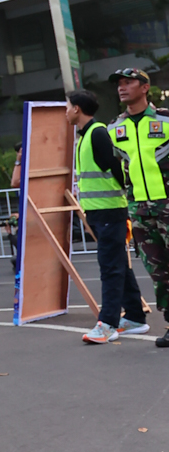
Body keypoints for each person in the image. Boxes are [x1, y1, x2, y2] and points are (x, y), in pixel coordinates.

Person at [64, 87, 147, 344]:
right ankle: (134, 316)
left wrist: (125, 199)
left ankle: (108, 323)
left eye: (67, 107)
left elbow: (119, 169)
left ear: (77, 109)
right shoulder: (86, 135)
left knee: (110, 268)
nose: (65, 112)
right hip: (100, 212)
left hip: (110, 211)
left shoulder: (98, 133)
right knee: (117, 263)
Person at [110, 67, 169, 348]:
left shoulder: (165, 120)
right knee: (159, 272)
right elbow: (118, 167)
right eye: (119, 84)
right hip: (140, 211)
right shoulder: (114, 128)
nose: (122, 88)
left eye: (128, 82)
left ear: (145, 87)